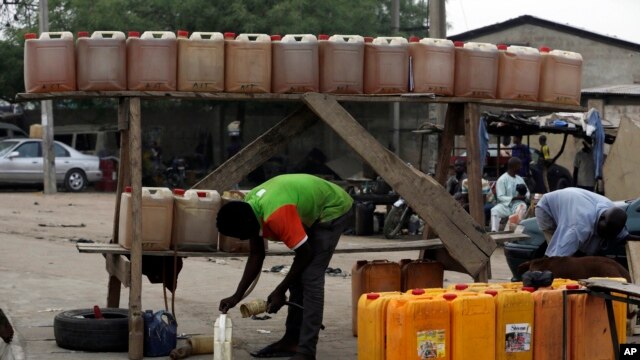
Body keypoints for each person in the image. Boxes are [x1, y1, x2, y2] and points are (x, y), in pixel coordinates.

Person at [216, 174, 353, 360]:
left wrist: (280, 290)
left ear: (248, 225)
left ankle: (306, 351)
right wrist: (237, 296)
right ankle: (291, 341)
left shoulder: (276, 215)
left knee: (310, 277)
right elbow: (256, 255)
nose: (241, 240)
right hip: (305, 203)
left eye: (241, 235)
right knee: (297, 278)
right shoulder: (249, 207)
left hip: (333, 207)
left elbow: (305, 253)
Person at [535, 187, 640, 257]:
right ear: (601, 218)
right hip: (547, 208)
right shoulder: (578, 226)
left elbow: (625, 236)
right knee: (561, 254)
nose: (604, 237)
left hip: (574, 200)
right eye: (603, 234)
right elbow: (558, 257)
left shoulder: (612, 214)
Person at [490, 157, 529, 232]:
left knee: (522, 207)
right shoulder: (502, 179)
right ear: (513, 167)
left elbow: (527, 192)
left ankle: (513, 231)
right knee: (494, 210)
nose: (520, 168)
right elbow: (500, 197)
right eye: (519, 166)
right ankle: (494, 232)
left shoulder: (520, 179)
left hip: (518, 204)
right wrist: (515, 198)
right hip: (505, 205)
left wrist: (524, 196)